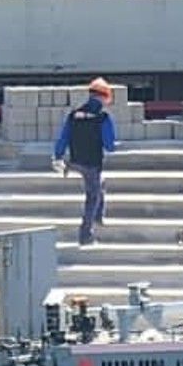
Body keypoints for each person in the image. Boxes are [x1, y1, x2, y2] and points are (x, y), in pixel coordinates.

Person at [51, 78, 119, 246]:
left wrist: (58, 156)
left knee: (101, 184)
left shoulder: (74, 115)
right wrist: (112, 146)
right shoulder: (103, 117)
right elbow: (109, 145)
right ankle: (85, 235)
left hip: (75, 160)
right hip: (92, 163)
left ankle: (98, 216)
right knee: (92, 196)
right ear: (104, 97)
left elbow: (63, 137)